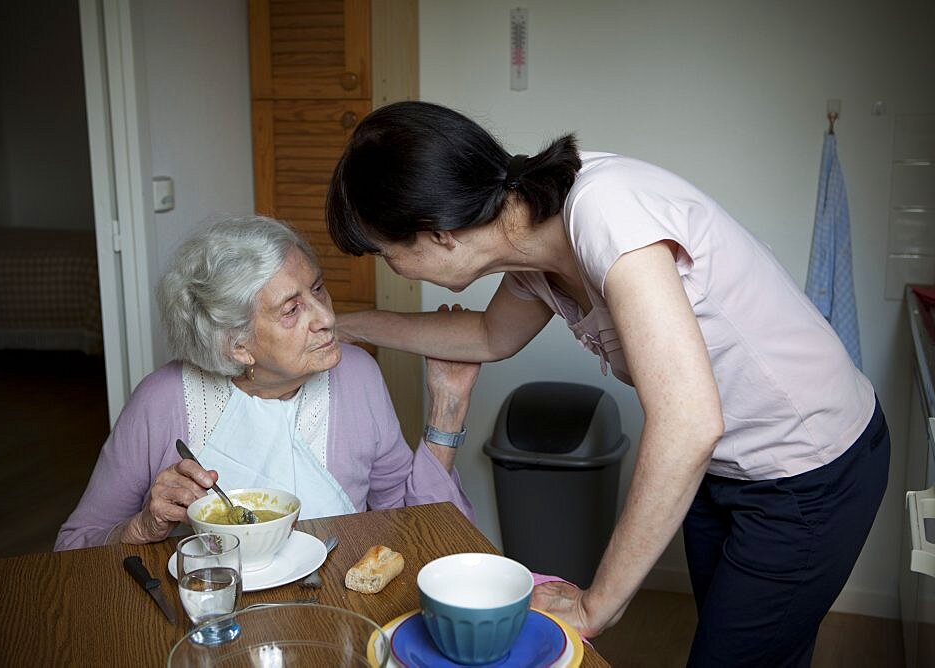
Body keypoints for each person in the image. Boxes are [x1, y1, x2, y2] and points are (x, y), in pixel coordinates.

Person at [325, 101, 889, 666]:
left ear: (438, 235)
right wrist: (343, 327)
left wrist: (597, 606)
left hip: (810, 468)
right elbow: (489, 337)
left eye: (385, 253)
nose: (391, 268)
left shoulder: (604, 210)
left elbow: (689, 423)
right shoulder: (531, 247)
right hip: (723, 468)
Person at [56, 215, 477, 551]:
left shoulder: (356, 375)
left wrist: (448, 402)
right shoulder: (162, 401)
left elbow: (409, 524)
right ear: (237, 345)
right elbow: (74, 546)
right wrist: (142, 526)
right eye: (292, 310)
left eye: (318, 289)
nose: (327, 318)